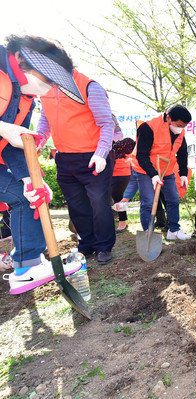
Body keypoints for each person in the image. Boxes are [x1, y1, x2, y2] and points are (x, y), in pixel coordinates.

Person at [0, 35, 82, 293]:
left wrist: (29, 180)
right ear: (24, 61)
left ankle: (27, 267)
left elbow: (17, 143)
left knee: (27, 197)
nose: (49, 89)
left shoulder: (24, 99)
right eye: (48, 80)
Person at [37, 47, 118, 265]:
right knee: (77, 206)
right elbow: (45, 121)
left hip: (93, 158)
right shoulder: (44, 89)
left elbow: (105, 124)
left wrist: (101, 154)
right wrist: (38, 139)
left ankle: (104, 246)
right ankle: (87, 245)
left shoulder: (89, 86)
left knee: (99, 204)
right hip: (65, 158)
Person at [131, 104, 192, 240]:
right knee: (148, 202)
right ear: (169, 118)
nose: (181, 128)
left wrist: (183, 173)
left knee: (173, 198)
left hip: (166, 169)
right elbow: (141, 155)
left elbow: (182, 153)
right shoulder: (148, 127)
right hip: (144, 169)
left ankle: (173, 230)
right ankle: (148, 233)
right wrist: (153, 174)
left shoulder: (179, 131)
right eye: (179, 125)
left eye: (184, 126)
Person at [110, 120, 134, 233]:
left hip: (122, 172)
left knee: (118, 196)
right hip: (110, 173)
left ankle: (122, 222)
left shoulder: (119, 139)